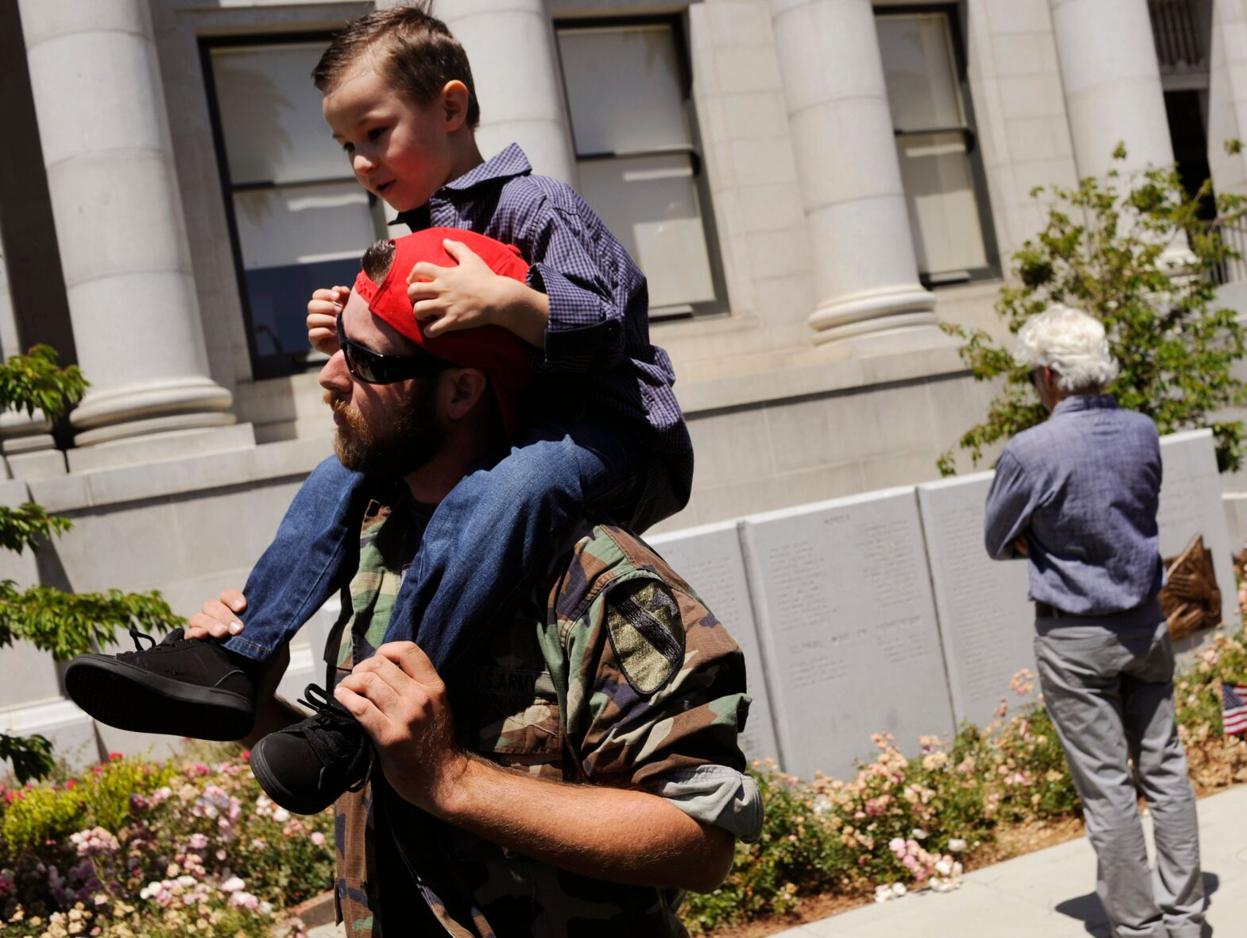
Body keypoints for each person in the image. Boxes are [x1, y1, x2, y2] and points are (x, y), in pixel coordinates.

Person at [64, 6, 693, 814]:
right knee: (342, 472)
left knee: (509, 489)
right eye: (345, 146)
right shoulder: (413, 232)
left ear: (451, 108)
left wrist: (508, 302)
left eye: (376, 132)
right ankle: (238, 658)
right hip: (506, 435)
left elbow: (610, 321)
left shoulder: (535, 205)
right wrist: (346, 327)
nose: (362, 161)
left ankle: (372, 708)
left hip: (609, 433)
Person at [170, 228, 759, 935]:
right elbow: (374, 765)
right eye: (337, 348)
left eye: (366, 361)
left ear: (461, 389)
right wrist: (253, 703)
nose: (329, 378)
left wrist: (454, 780)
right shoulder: (374, 546)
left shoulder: (593, 576)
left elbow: (701, 840)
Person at [983, 305, 1206, 938]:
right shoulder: (1142, 430)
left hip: (1074, 634)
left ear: (1051, 376)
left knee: (1107, 787)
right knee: (1166, 769)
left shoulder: (1030, 450)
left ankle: (1139, 927)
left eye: (1035, 374)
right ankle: (1186, 916)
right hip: (1145, 622)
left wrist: (1041, 540)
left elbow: (997, 538)